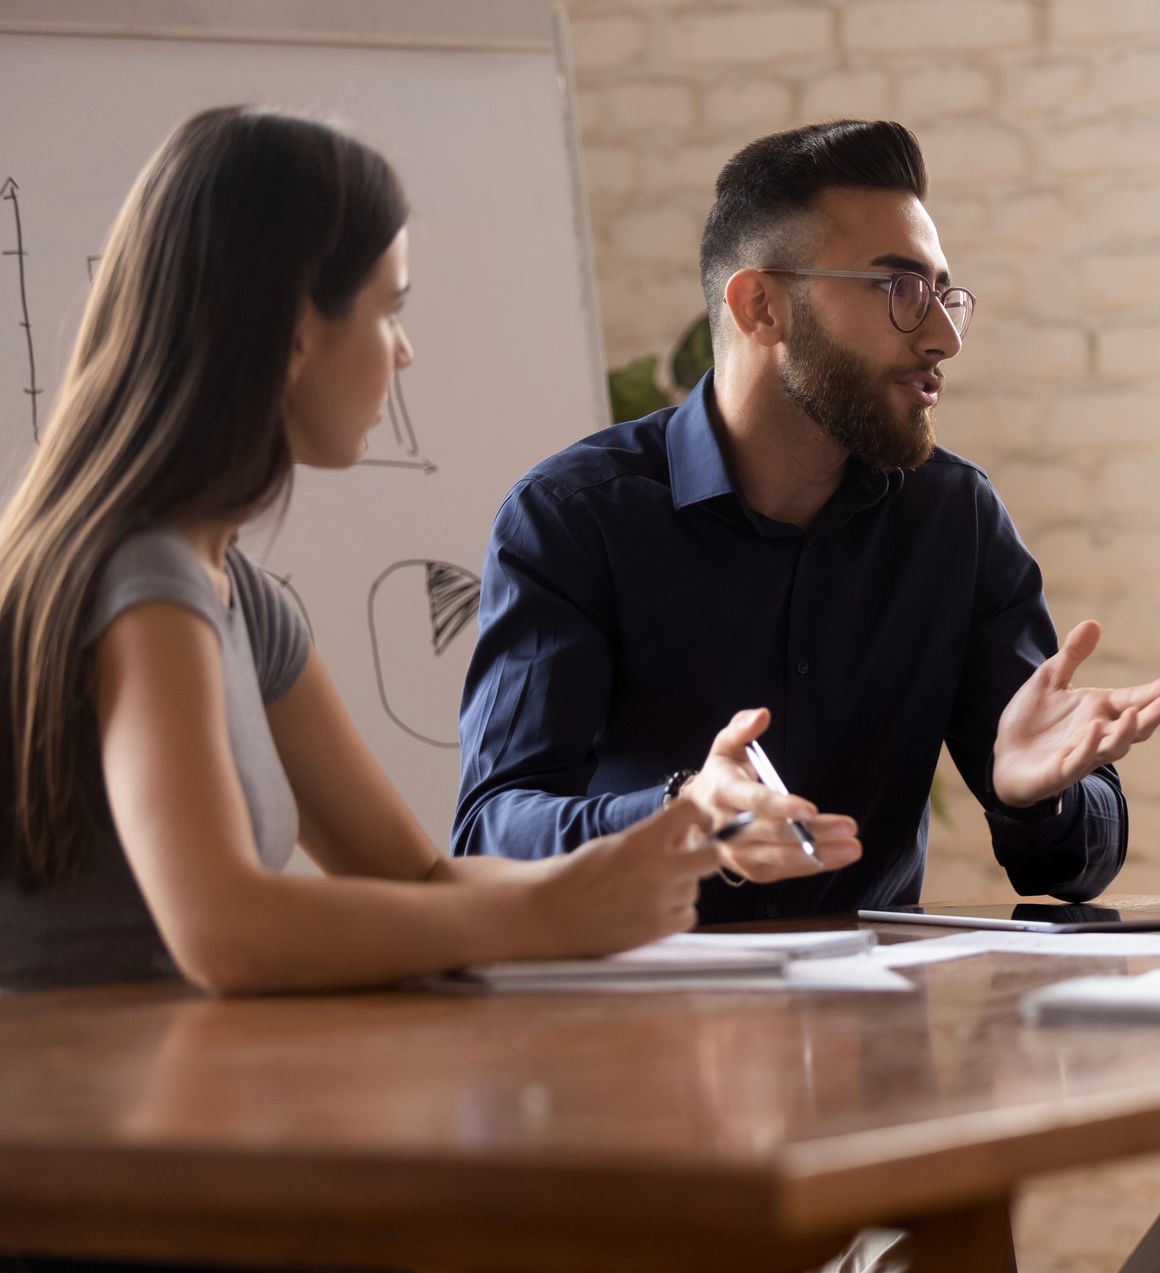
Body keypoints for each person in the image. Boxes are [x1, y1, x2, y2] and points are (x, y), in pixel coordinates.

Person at [0, 106, 804, 996]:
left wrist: (657, 845)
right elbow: (223, 930)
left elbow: (413, 878)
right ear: (296, 332)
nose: (406, 350)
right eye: (389, 310)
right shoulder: (145, 582)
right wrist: (546, 915)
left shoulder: (239, 598)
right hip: (86, 1121)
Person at [453, 120, 1160, 922]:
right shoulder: (571, 519)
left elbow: (1078, 869)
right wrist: (682, 812)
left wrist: (1038, 797)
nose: (942, 336)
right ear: (762, 305)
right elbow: (489, 835)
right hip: (638, 1022)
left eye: (943, 294)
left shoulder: (954, 519)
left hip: (875, 1030)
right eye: (899, 289)